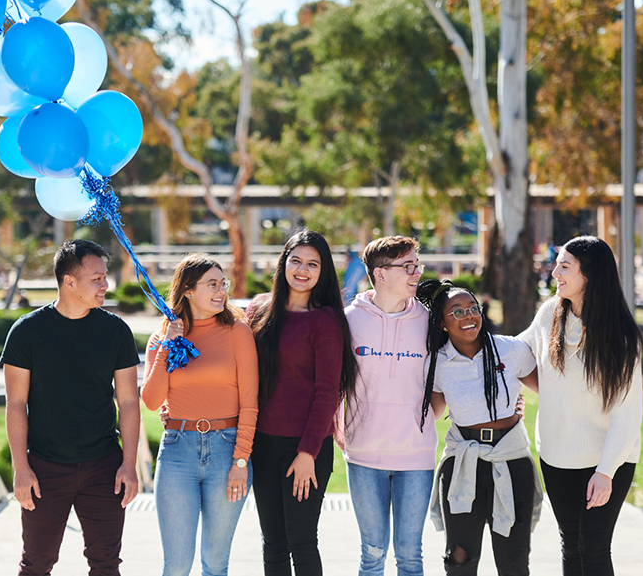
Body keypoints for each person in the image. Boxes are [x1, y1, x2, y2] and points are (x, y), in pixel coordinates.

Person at [1, 239, 140, 576]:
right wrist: (21, 468)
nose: (106, 285)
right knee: (36, 564)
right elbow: (16, 404)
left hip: (104, 467)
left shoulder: (116, 331)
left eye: (105, 277)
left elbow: (128, 402)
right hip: (45, 469)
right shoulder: (27, 332)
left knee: (106, 565)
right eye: (97, 279)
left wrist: (128, 464)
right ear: (69, 281)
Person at [518, 236, 643, 576]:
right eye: (557, 263)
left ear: (589, 274)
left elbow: (627, 413)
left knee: (594, 547)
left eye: (565, 265)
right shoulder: (549, 314)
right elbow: (518, 355)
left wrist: (605, 472)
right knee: (570, 543)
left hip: (606, 461)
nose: (554, 270)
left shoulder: (620, 336)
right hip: (556, 456)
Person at [248, 229, 358, 576]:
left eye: (313, 264)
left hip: (306, 448)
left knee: (301, 541)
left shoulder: (325, 321)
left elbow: (328, 392)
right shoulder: (259, 311)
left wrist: (308, 452)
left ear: (323, 271)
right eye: (295, 260)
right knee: (273, 544)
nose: (302, 270)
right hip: (262, 444)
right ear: (283, 263)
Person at [142, 254, 259, 576]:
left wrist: (240, 462)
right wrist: (168, 346)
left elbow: (250, 403)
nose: (221, 291)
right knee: (177, 565)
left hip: (226, 450)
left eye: (223, 284)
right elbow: (151, 401)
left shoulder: (238, 332)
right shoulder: (162, 337)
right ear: (188, 291)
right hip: (177, 451)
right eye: (212, 284)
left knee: (215, 563)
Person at [416, 279, 542, 576]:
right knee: (459, 558)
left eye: (473, 308)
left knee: (514, 560)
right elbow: (433, 413)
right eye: (457, 312)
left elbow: (549, 388)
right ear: (443, 323)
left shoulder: (510, 350)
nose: (469, 316)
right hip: (463, 464)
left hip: (511, 461)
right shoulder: (436, 363)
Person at [339, 236, 441, 576]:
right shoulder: (348, 321)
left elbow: (445, 378)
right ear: (380, 274)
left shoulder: (429, 322)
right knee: (372, 554)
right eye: (407, 267)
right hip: (364, 456)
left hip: (416, 457)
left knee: (410, 555)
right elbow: (333, 382)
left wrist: (422, 418)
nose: (416, 273)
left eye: (417, 265)